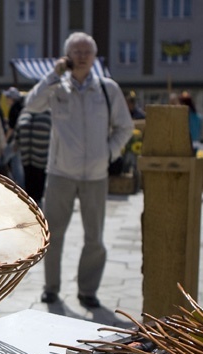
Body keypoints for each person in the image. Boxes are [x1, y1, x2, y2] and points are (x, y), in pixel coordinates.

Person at [25, 31, 134, 308]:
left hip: (96, 175)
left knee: (94, 238)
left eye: (87, 51)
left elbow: (125, 127)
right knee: (53, 235)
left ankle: (88, 290)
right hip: (60, 172)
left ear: (95, 56)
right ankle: (51, 288)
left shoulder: (108, 89)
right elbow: (32, 104)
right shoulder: (57, 87)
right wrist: (53, 75)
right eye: (77, 51)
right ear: (67, 56)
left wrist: (107, 153)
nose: (82, 56)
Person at [15, 109, 52, 204]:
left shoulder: (48, 115)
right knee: (29, 187)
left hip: (41, 160)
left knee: (38, 188)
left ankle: (37, 209)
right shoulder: (24, 114)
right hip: (26, 158)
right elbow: (17, 134)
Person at [2, 86, 25, 188]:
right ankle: (19, 185)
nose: (6, 100)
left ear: (12, 98)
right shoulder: (23, 107)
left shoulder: (13, 109)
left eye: (8, 97)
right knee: (17, 164)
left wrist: (4, 141)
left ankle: (16, 184)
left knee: (3, 159)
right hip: (23, 140)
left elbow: (11, 128)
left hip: (16, 140)